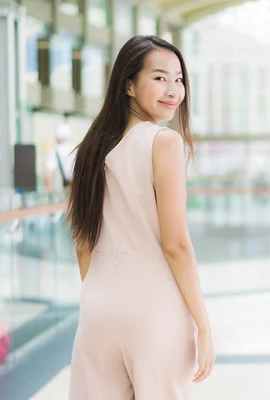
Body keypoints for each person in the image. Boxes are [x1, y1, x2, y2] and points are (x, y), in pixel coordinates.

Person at [67, 35, 215, 399]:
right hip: (153, 307)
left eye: (178, 79)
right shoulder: (164, 143)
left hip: (97, 306)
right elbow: (176, 245)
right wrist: (203, 323)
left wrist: (105, 293)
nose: (173, 89)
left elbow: (84, 241)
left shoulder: (91, 148)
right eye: (160, 77)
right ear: (129, 85)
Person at [44, 123, 76, 194]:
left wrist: (49, 190)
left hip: (62, 189)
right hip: (75, 186)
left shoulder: (54, 151)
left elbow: (48, 173)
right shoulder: (75, 150)